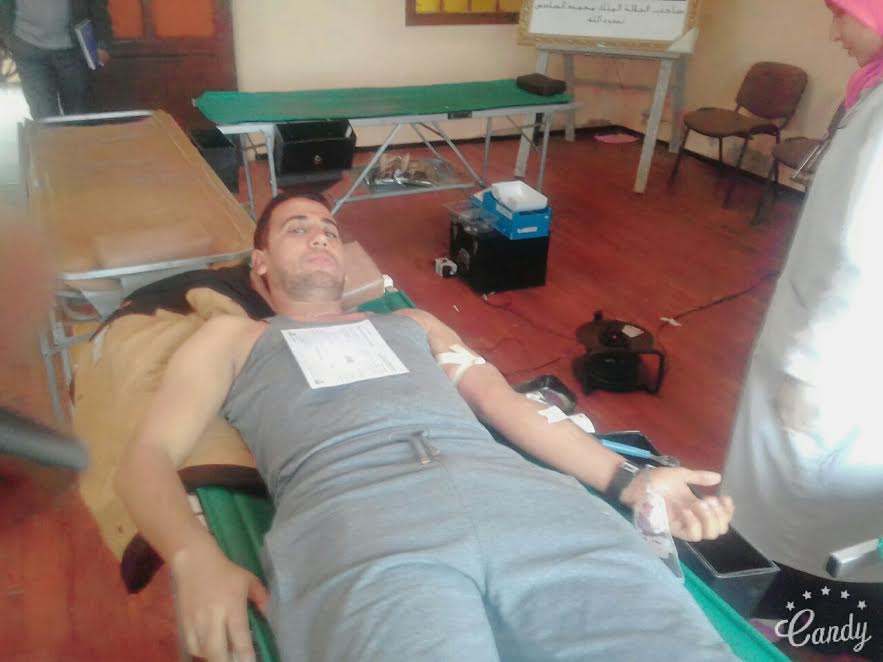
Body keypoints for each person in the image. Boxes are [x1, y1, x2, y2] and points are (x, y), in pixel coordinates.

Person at [117, 193, 737, 662]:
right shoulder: (235, 337)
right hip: (356, 525)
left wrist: (631, 481)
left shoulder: (411, 323)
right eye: (296, 228)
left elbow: (503, 403)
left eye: (329, 229)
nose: (320, 237)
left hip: (527, 505)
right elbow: (147, 455)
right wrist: (194, 557)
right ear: (259, 262)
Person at [721, 0, 883, 657]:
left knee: (804, 498)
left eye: (843, 14)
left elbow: (860, 257)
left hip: (841, 351)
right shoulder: (873, 94)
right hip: (849, 341)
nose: (833, 32)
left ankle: (803, 621)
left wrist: (810, 367)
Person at [0, 0, 112, 119]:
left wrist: (103, 41)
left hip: (73, 49)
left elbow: (97, 3)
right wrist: (7, 36)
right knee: (44, 118)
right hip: (28, 49)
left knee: (78, 116)